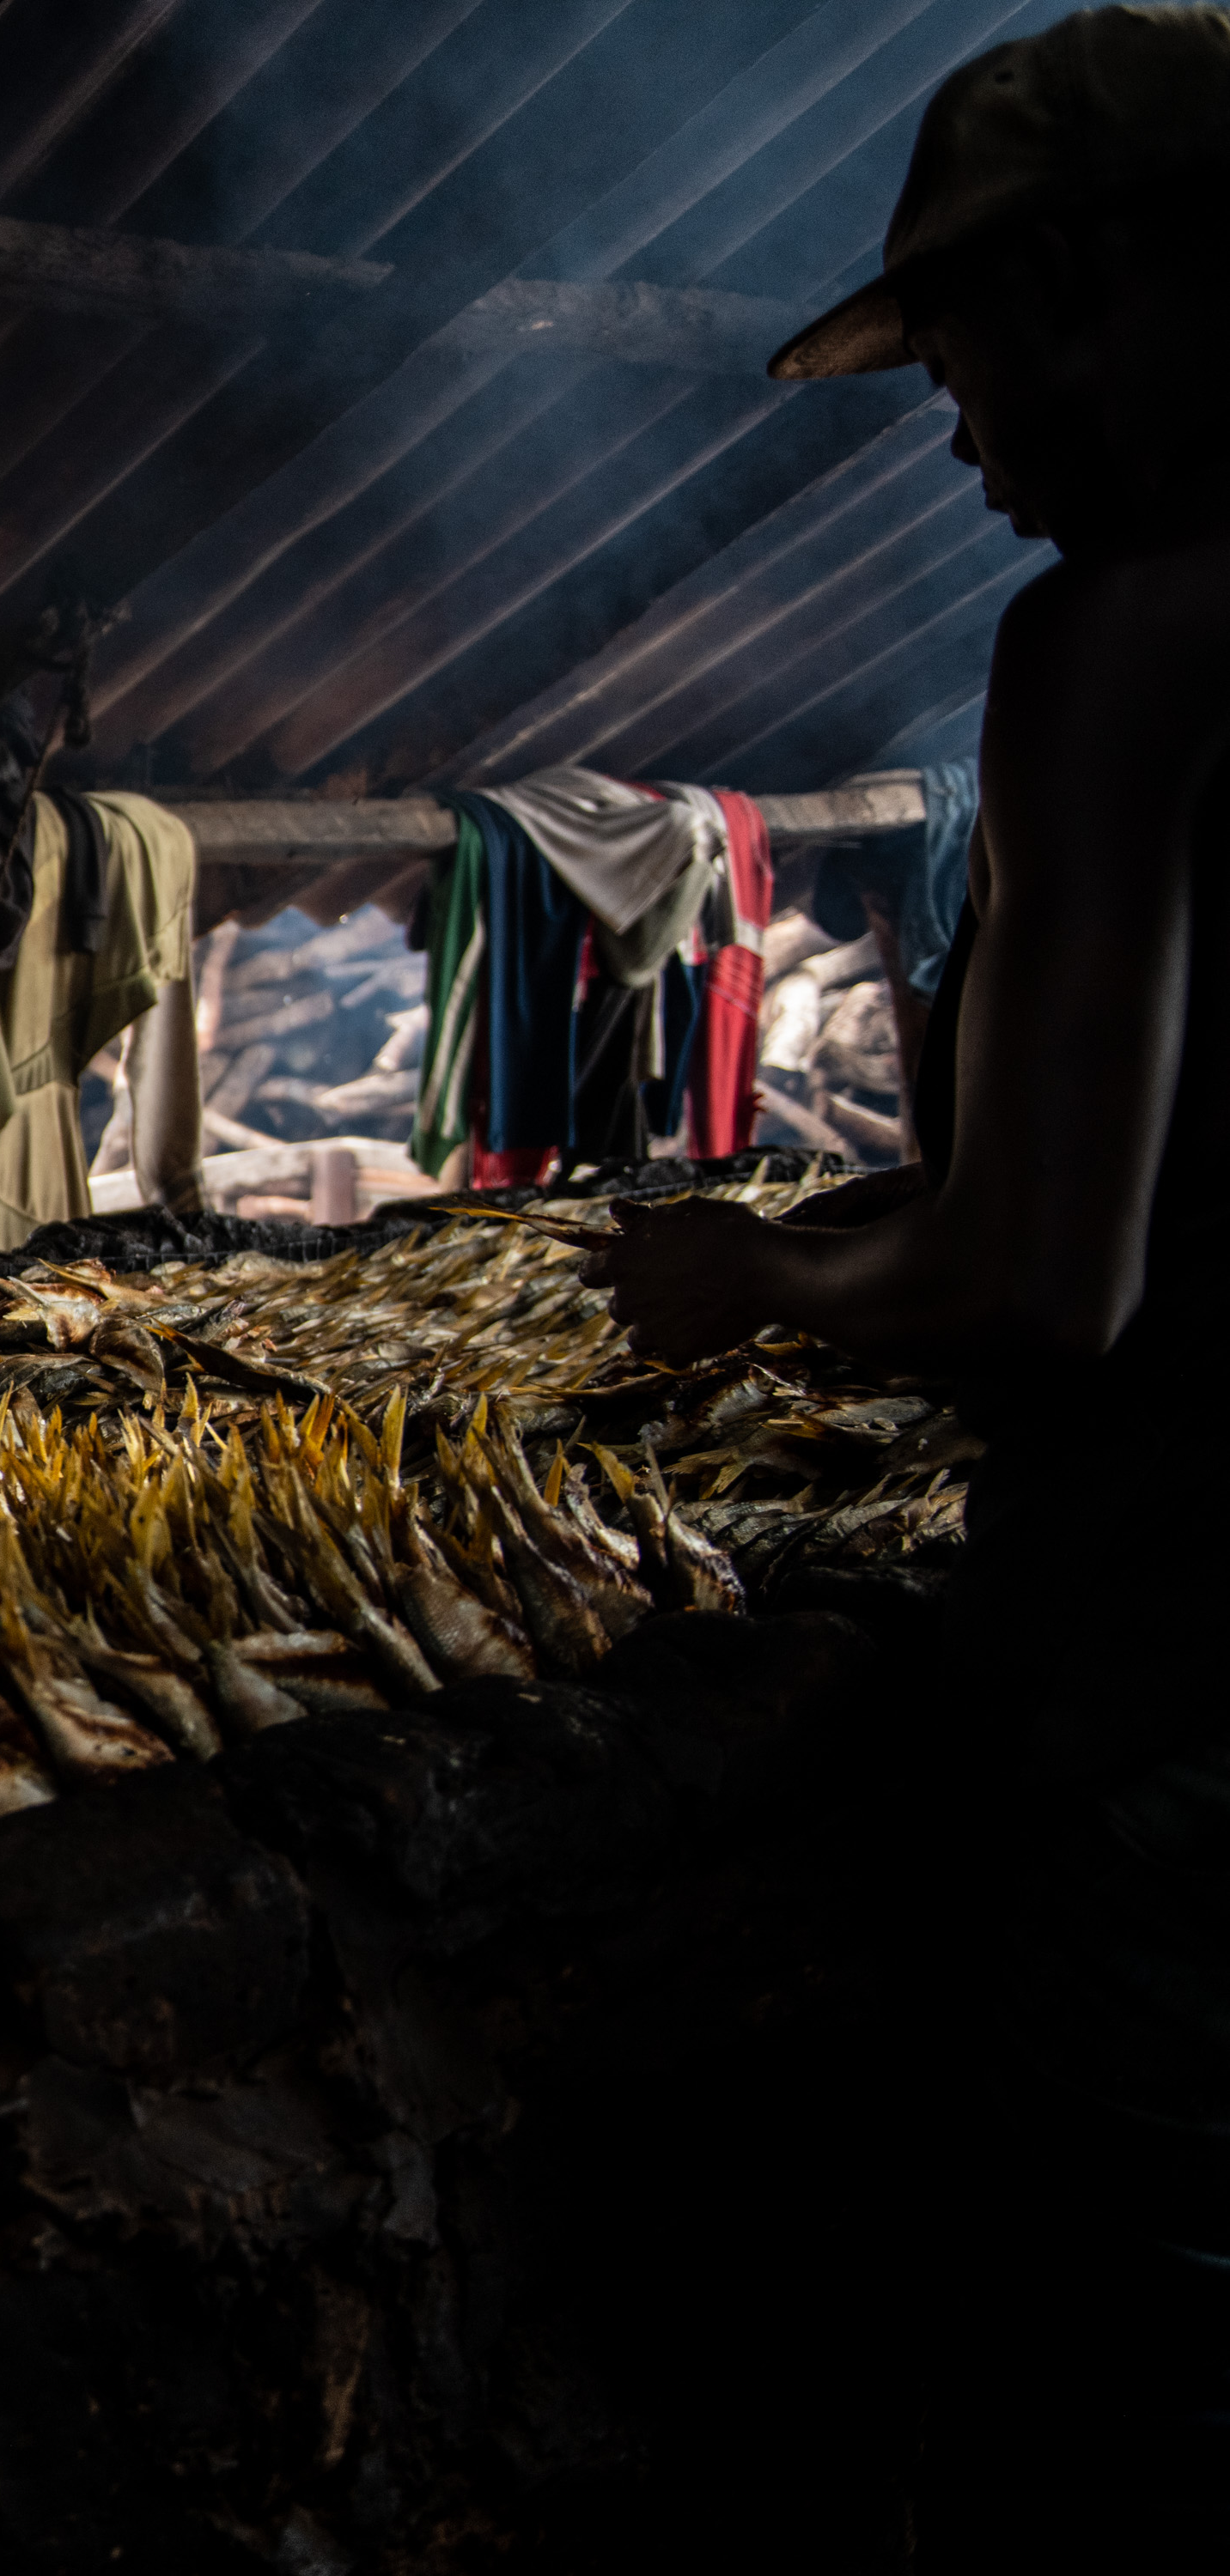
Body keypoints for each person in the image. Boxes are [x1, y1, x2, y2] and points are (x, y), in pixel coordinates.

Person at [588, 12, 1230, 2557]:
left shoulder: (1136, 635)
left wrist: (750, 1287)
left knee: (1137, 2375)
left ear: (1087, 286)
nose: (957, 439)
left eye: (960, 360)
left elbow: (1053, 1283)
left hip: (1196, 1689)